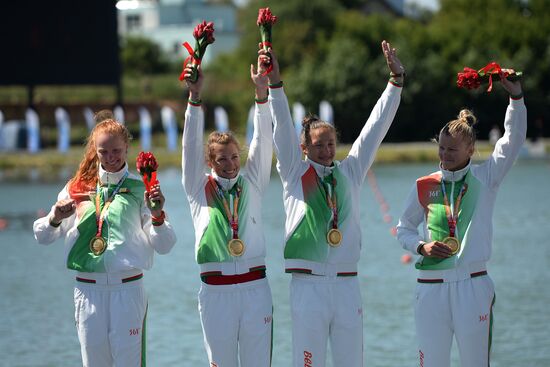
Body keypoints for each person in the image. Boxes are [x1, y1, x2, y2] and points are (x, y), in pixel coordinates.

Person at [265, 40, 404, 367]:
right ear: (304, 147)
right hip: (307, 286)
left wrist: (395, 84)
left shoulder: (351, 170)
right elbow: (282, 126)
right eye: (319, 145)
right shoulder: (294, 171)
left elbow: (375, 128)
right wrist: (275, 84)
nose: (327, 150)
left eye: (331, 143)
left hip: (346, 284)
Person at [396, 72, 526, 367]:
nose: (444, 155)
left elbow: (513, 140)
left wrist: (515, 99)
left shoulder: (487, 177)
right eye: (441, 148)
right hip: (430, 288)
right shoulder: (424, 183)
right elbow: (403, 228)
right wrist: (420, 247)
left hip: (473, 286)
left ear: (470, 150)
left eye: (452, 150)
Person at [33, 119, 177, 366]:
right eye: (104, 152)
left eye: (116, 151)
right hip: (88, 291)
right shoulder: (76, 188)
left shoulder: (140, 188)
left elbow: (164, 245)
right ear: (95, 151)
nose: (110, 157)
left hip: (128, 290)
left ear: (126, 149)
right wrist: (55, 217)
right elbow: (43, 237)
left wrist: (157, 215)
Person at [181, 57, 273, 367]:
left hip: (255, 289)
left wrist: (262, 95)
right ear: (210, 162)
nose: (231, 164)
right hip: (215, 293)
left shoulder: (253, 184)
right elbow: (190, 145)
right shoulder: (197, 188)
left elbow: (263, 141)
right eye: (222, 159)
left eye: (234, 157)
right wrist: (194, 99)